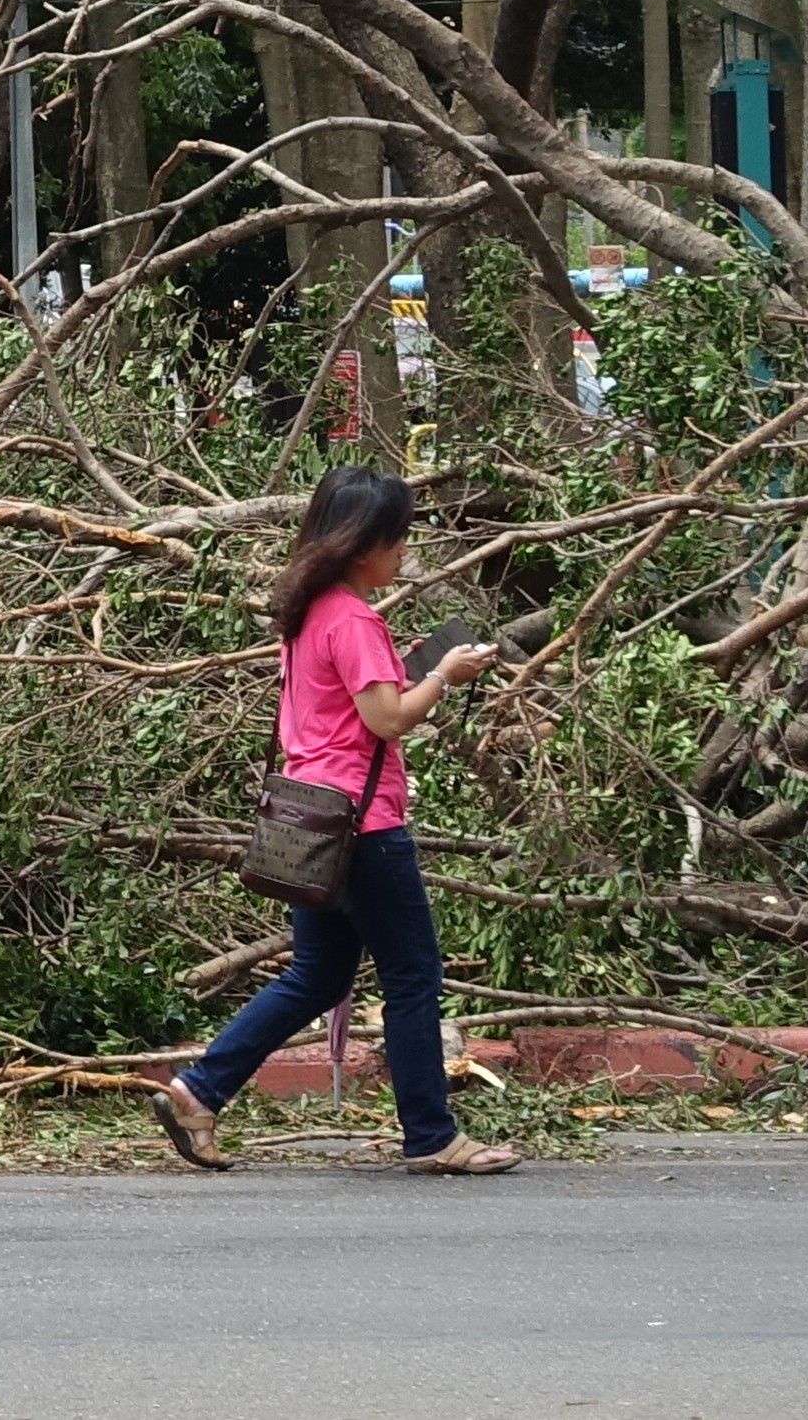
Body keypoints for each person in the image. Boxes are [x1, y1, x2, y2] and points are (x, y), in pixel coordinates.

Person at [152, 461, 513, 1175]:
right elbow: (386, 718)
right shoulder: (353, 619)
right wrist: (445, 675)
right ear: (359, 543)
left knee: (316, 976)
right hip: (363, 826)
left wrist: (411, 670)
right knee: (411, 976)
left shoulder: (307, 610)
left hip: (308, 819)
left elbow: (335, 708)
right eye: (396, 538)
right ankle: (431, 1135)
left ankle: (198, 1091)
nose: (403, 551)